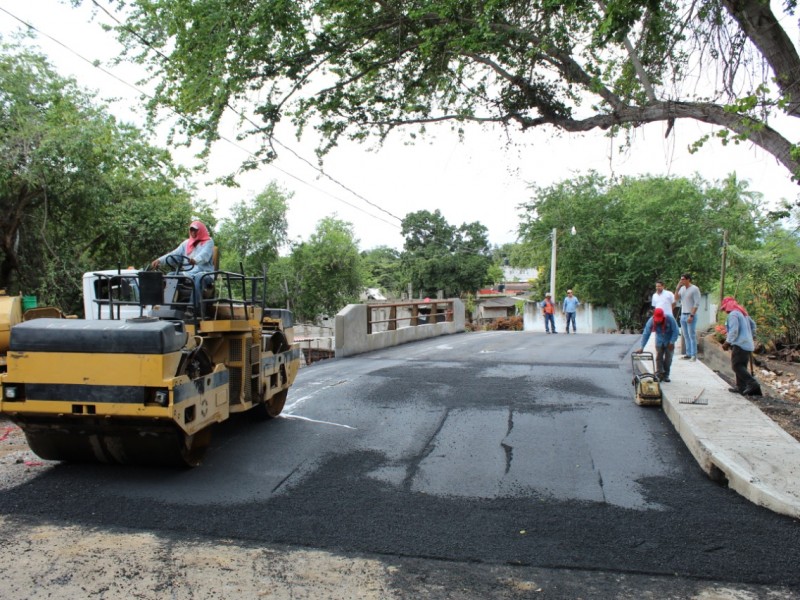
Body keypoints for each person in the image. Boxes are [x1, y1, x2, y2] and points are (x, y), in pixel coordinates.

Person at [151, 220, 216, 299]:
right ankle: (168, 305)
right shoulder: (186, 243)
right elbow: (174, 254)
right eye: (191, 230)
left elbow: (204, 255)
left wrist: (195, 260)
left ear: (201, 231)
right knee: (171, 275)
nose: (193, 232)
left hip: (205, 274)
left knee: (199, 277)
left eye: (195, 230)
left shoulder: (208, 242)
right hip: (189, 274)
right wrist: (159, 260)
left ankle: (192, 308)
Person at [721, 296, 762, 396]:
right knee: (741, 365)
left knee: (736, 366)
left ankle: (752, 383)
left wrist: (727, 342)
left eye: (725, 308)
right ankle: (741, 387)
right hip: (747, 344)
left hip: (740, 344)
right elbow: (753, 325)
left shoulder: (734, 315)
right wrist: (751, 336)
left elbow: (734, 331)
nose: (725, 311)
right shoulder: (743, 313)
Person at [635, 307, 679, 382]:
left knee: (668, 359)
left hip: (669, 341)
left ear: (663, 317)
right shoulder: (651, 321)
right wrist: (642, 347)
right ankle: (659, 374)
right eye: (657, 320)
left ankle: (666, 375)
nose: (658, 322)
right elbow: (646, 334)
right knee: (659, 358)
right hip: (659, 341)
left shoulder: (670, 319)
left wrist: (672, 342)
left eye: (660, 320)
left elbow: (676, 331)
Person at [675, 273, 701, 361]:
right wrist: (677, 288)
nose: (681, 281)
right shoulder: (682, 289)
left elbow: (696, 303)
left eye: (683, 279)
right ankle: (688, 353)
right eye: (681, 279)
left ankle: (694, 355)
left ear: (688, 279)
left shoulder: (694, 289)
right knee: (685, 335)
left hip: (690, 314)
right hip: (683, 314)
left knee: (691, 335)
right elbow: (676, 298)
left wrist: (692, 315)